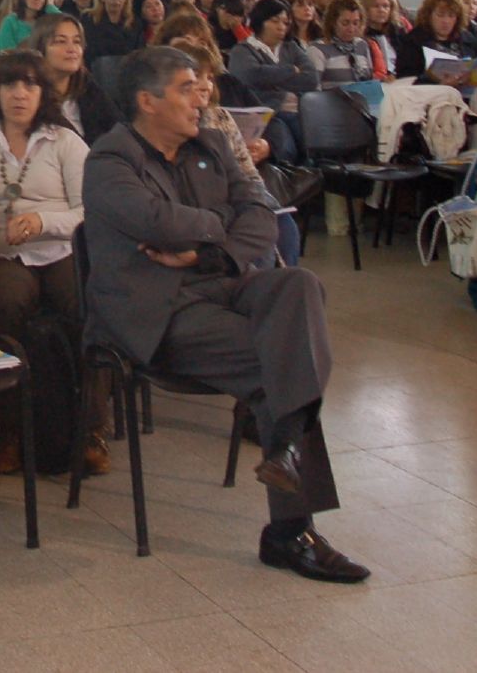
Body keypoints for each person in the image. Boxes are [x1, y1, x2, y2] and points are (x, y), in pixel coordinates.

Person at [81, 48, 366, 584]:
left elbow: (263, 213)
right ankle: (290, 533)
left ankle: (284, 451)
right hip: (153, 311)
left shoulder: (209, 143)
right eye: (188, 87)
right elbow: (157, 221)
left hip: (220, 280)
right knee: (281, 359)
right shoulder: (110, 160)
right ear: (148, 101)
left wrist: (215, 250)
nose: (204, 95)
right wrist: (221, 220)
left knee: (298, 285)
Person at [0, 49, 103, 474]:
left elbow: (89, 212)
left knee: (84, 305)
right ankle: (9, 431)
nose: (19, 94)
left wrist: (41, 221)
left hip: (61, 247)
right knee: (3, 303)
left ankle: (88, 429)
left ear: (43, 93)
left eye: (30, 85)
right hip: (2, 254)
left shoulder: (66, 142)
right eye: (10, 84)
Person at [229, 0, 318, 161]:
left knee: (314, 136)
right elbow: (250, 76)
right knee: (287, 144)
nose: (281, 27)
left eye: (285, 22)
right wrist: (290, 71)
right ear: (260, 21)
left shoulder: (290, 47)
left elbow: (311, 78)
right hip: (263, 114)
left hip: (297, 111)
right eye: (274, 21)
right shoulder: (243, 50)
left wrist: (270, 80)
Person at [30, 14, 118, 145]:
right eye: (61, 41)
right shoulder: (29, 95)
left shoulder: (88, 87)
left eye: (77, 42)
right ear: (40, 48)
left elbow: (117, 129)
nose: (72, 49)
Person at [311, 0, 377, 86]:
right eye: (345, 23)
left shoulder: (361, 45)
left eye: (355, 23)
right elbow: (314, 89)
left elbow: (369, 80)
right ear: (333, 22)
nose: (351, 29)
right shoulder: (317, 49)